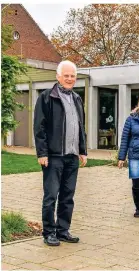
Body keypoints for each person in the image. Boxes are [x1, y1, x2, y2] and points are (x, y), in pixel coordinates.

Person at [33, 60, 87, 246]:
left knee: (67, 196)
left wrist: (83, 150)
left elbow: (80, 127)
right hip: (54, 156)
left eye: (73, 76)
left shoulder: (77, 98)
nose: (70, 79)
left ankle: (63, 230)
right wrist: (42, 153)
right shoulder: (47, 97)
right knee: (51, 196)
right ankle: (49, 232)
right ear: (58, 77)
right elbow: (39, 127)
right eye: (66, 75)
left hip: (72, 157)